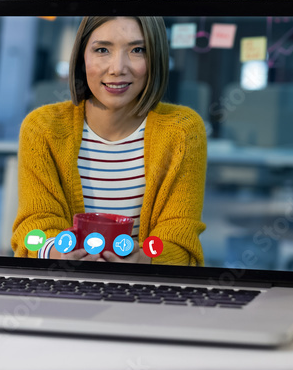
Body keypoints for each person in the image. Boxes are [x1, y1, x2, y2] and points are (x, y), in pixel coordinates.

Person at [11, 16, 207, 265]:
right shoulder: (42, 128)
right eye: (102, 49)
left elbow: (181, 237)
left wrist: (145, 260)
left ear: (156, 56)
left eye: (138, 50)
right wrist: (58, 252)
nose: (117, 68)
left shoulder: (182, 131)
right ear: (82, 57)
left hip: (145, 290)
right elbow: (33, 229)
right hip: (61, 283)